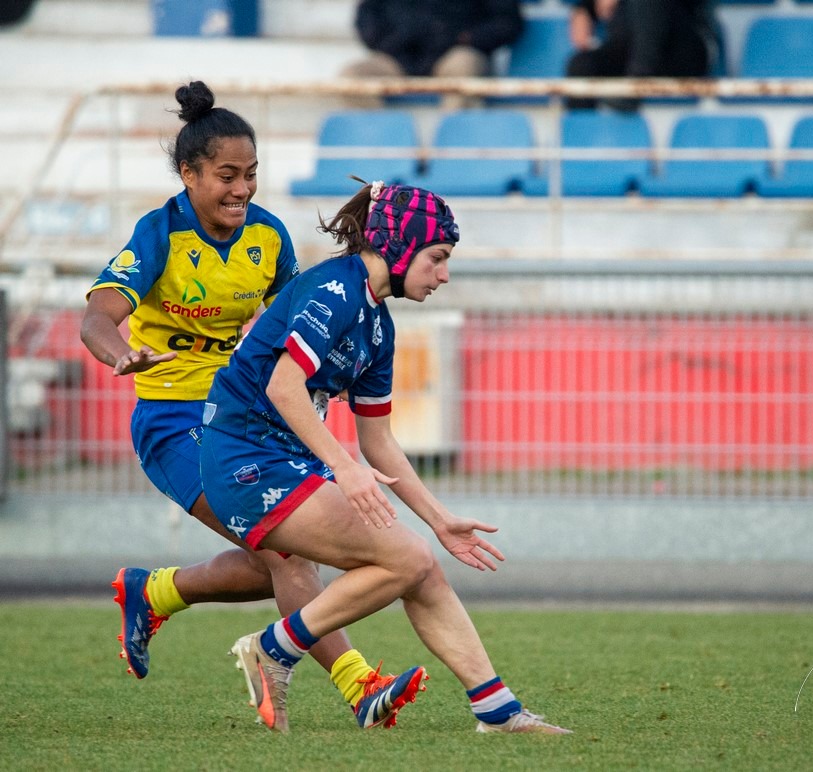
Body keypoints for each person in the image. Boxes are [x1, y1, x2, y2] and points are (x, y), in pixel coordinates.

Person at [79, 81, 422, 731]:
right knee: (289, 554)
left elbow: (295, 326)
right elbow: (97, 316)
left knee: (286, 555)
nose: (241, 190)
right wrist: (118, 353)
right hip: (175, 422)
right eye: (226, 176)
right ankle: (360, 686)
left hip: (241, 418)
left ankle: (155, 592)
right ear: (190, 174)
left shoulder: (267, 237)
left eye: (251, 175)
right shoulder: (159, 235)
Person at [200, 181, 570, 735]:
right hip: (244, 461)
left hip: (283, 463)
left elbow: (379, 442)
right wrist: (344, 469)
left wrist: (440, 519)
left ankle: (498, 711)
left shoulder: (378, 324)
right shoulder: (335, 289)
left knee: (420, 565)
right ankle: (274, 647)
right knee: (407, 559)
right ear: (399, 248)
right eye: (438, 258)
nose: (444, 274)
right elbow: (283, 386)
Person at [340, 0, 523, 106]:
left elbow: (507, 22)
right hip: (399, 58)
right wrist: (392, 41)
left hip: (453, 54)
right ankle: (387, 147)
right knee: (352, 76)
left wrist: (466, 38)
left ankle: (448, 148)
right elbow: (367, 19)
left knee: (464, 65)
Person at [565, 0, 718, 112]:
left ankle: (636, 85)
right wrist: (585, 9)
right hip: (630, 47)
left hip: (681, 48)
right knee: (582, 66)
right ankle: (583, 146)